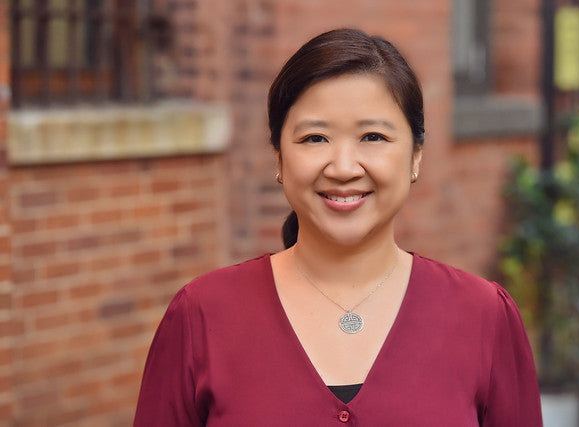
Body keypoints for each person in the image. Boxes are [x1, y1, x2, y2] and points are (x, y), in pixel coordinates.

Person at [134, 28, 542, 426]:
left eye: (373, 136)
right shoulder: (202, 315)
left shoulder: (484, 316)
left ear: (416, 156)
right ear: (279, 159)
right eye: (315, 138)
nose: (344, 168)